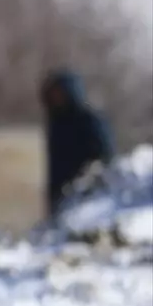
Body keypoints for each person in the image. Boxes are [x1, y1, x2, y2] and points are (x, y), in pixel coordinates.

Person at [41, 68, 115, 217]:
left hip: (86, 193)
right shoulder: (56, 125)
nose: (57, 98)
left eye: (59, 93)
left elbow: (105, 155)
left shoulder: (90, 120)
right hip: (59, 195)